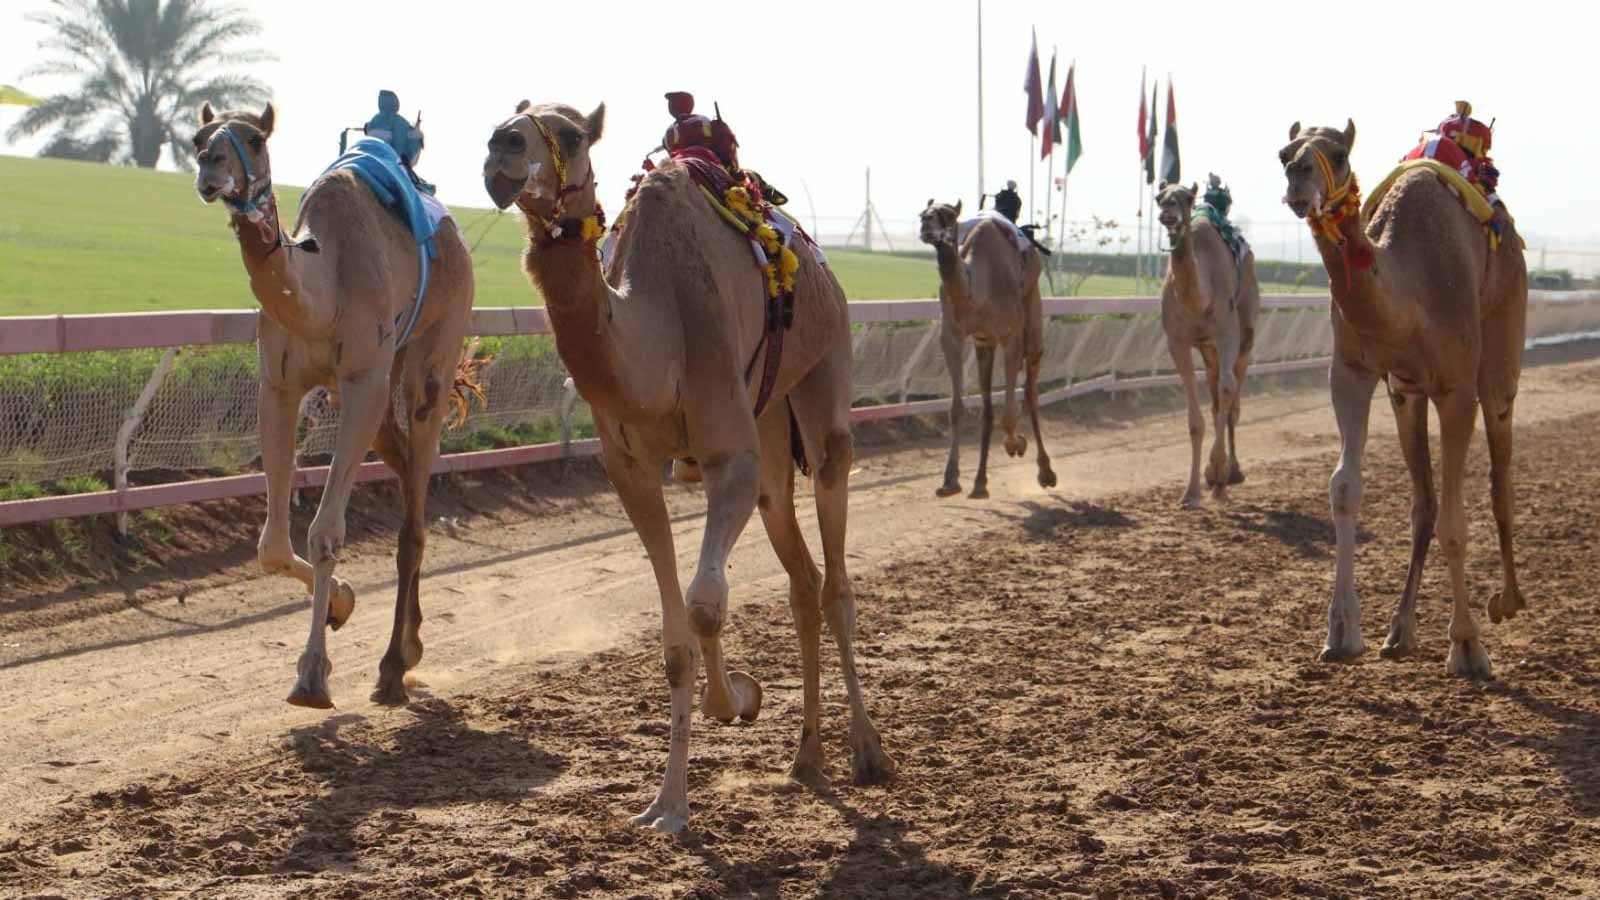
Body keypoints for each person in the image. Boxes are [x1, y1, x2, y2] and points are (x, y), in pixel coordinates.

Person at [363, 90, 433, 195]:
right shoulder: (400, 122)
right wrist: (416, 134)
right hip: (391, 166)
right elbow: (407, 154)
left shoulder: (374, 120)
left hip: (367, 162)